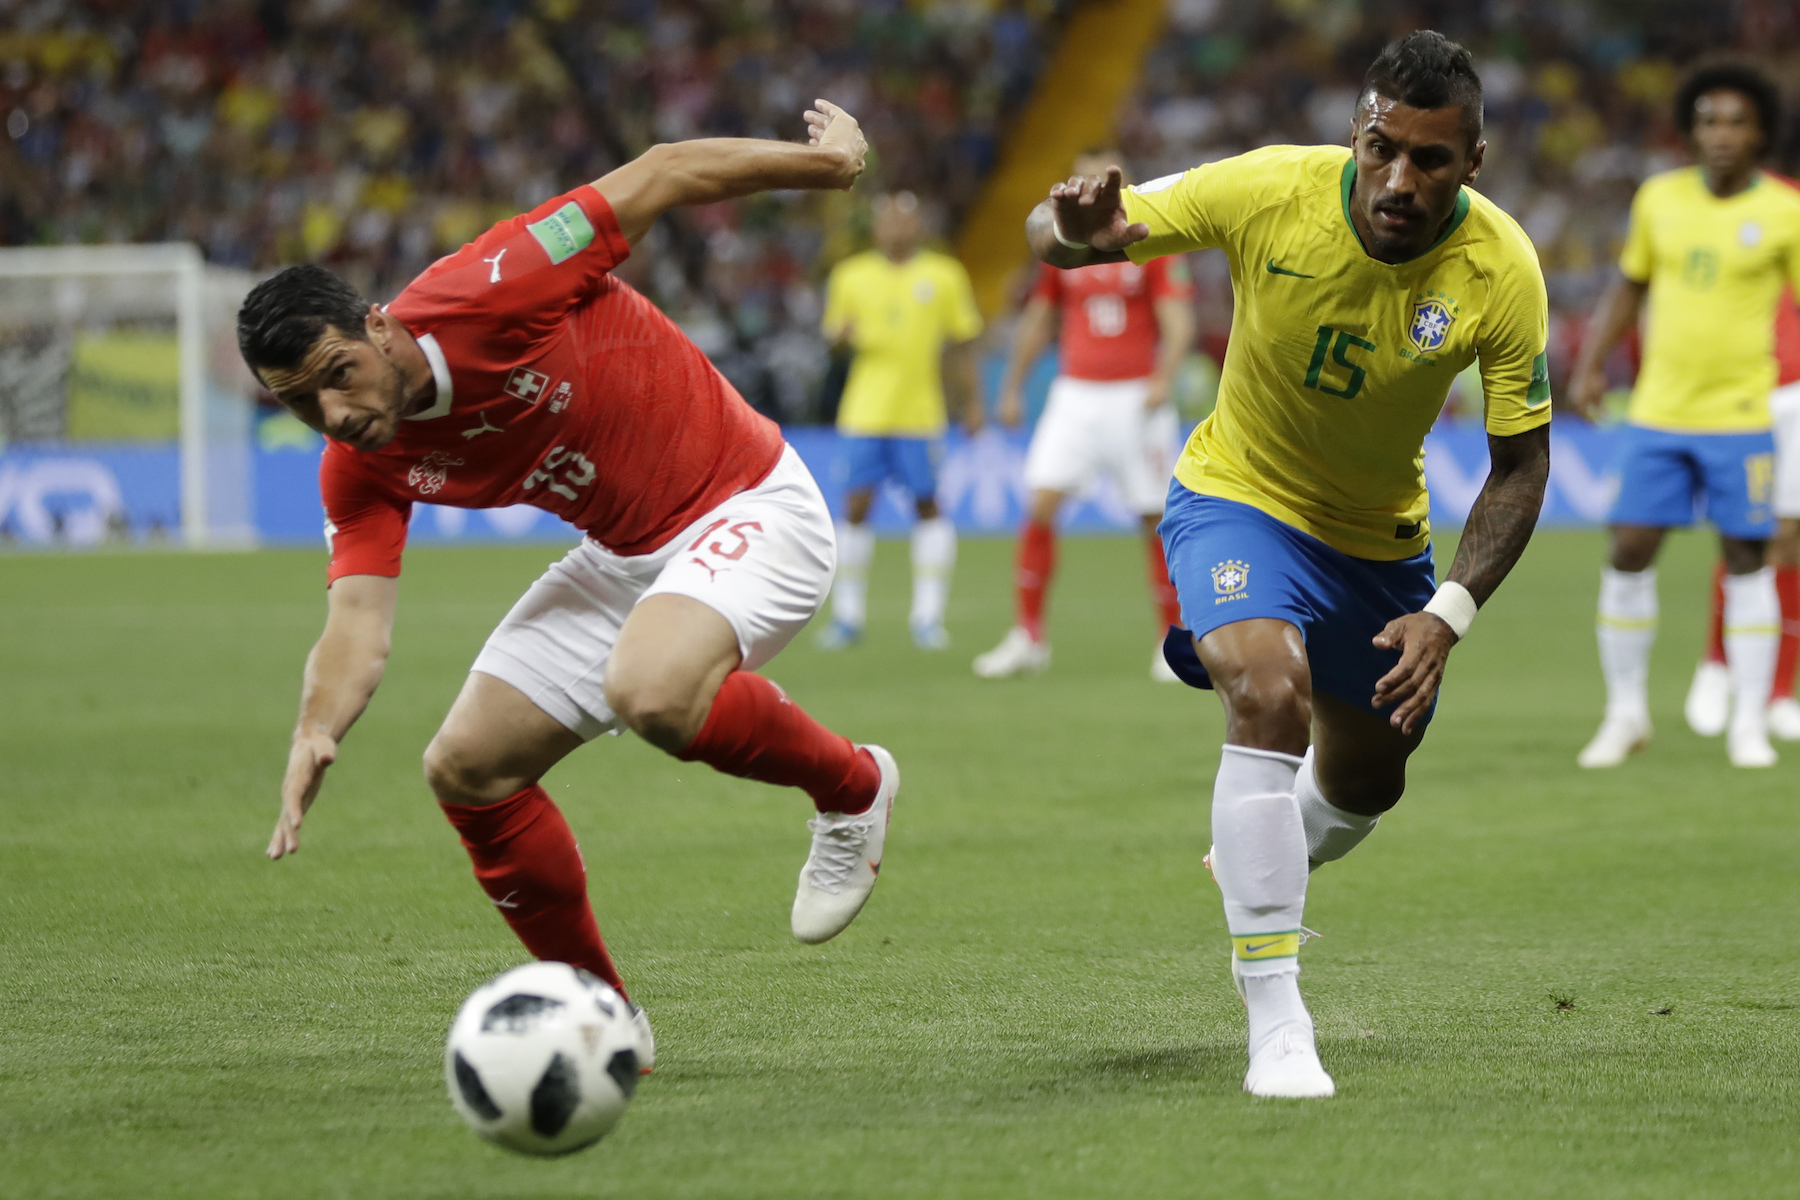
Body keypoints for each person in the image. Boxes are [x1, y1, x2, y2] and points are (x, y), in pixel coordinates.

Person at [238, 102, 900, 1068]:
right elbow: (357, 623)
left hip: (752, 503)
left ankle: (854, 787)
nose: (333, 414)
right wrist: (315, 724)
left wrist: (829, 165)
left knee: (652, 691)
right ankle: (602, 1020)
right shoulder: (359, 464)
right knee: (466, 769)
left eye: (338, 374)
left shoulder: (494, 282)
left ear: (377, 326)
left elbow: (664, 168)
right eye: (300, 404)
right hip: (625, 558)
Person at [1028, 31, 1551, 1098]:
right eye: (1380, 147)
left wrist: (1447, 613)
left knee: (1368, 782)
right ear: (1357, 131)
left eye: (1431, 161)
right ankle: (1277, 1019)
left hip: (1380, 544)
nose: (1398, 179)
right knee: (1266, 693)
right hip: (1238, 497)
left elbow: (1519, 466)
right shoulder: (1270, 187)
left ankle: (1269, 841)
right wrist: (1070, 232)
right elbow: (1068, 231)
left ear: (1474, 163)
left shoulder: (1502, 271)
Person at [1570, 64, 1800, 770]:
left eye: (1736, 122)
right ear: (1690, 131)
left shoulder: (1787, 210)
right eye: (1707, 122)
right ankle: (1626, 714)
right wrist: (1590, 363)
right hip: (1658, 413)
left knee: (1747, 562)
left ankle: (1748, 725)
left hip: (1742, 415)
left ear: (1761, 132)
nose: (1721, 135)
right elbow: (1630, 286)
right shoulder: (1659, 199)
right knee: (1629, 549)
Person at [974, 148, 1195, 682]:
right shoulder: (1065, 246)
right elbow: (1039, 317)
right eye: (1088, 177)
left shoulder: (1149, 241)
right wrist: (1011, 388)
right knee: (1042, 503)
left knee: (1153, 518)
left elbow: (1178, 318)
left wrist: (1164, 374)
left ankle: (1170, 641)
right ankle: (1028, 636)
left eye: (1107, 177)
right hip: (1075, 394)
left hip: (1136, 396)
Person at [818, 191, 984, 650]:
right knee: (855, 508)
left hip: (920, 414)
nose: (895, 228)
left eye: (903, 220)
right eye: (887, 220)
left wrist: (973, 403)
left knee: (928, 506)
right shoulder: (850, 275)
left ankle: (928, 617)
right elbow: (832, 336)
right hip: (864, 412)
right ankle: (848, 617)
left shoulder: (944, 275)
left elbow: (963, 342)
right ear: (875, 229)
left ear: (919, 226)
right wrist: (839, 338)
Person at [1684, 256, 1800, 742]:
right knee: (1744, 535)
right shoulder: (1760, 203)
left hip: (1797, 392)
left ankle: (1778, 694)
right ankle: (1717, 664)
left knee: (1791, 542)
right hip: (1743, 389)